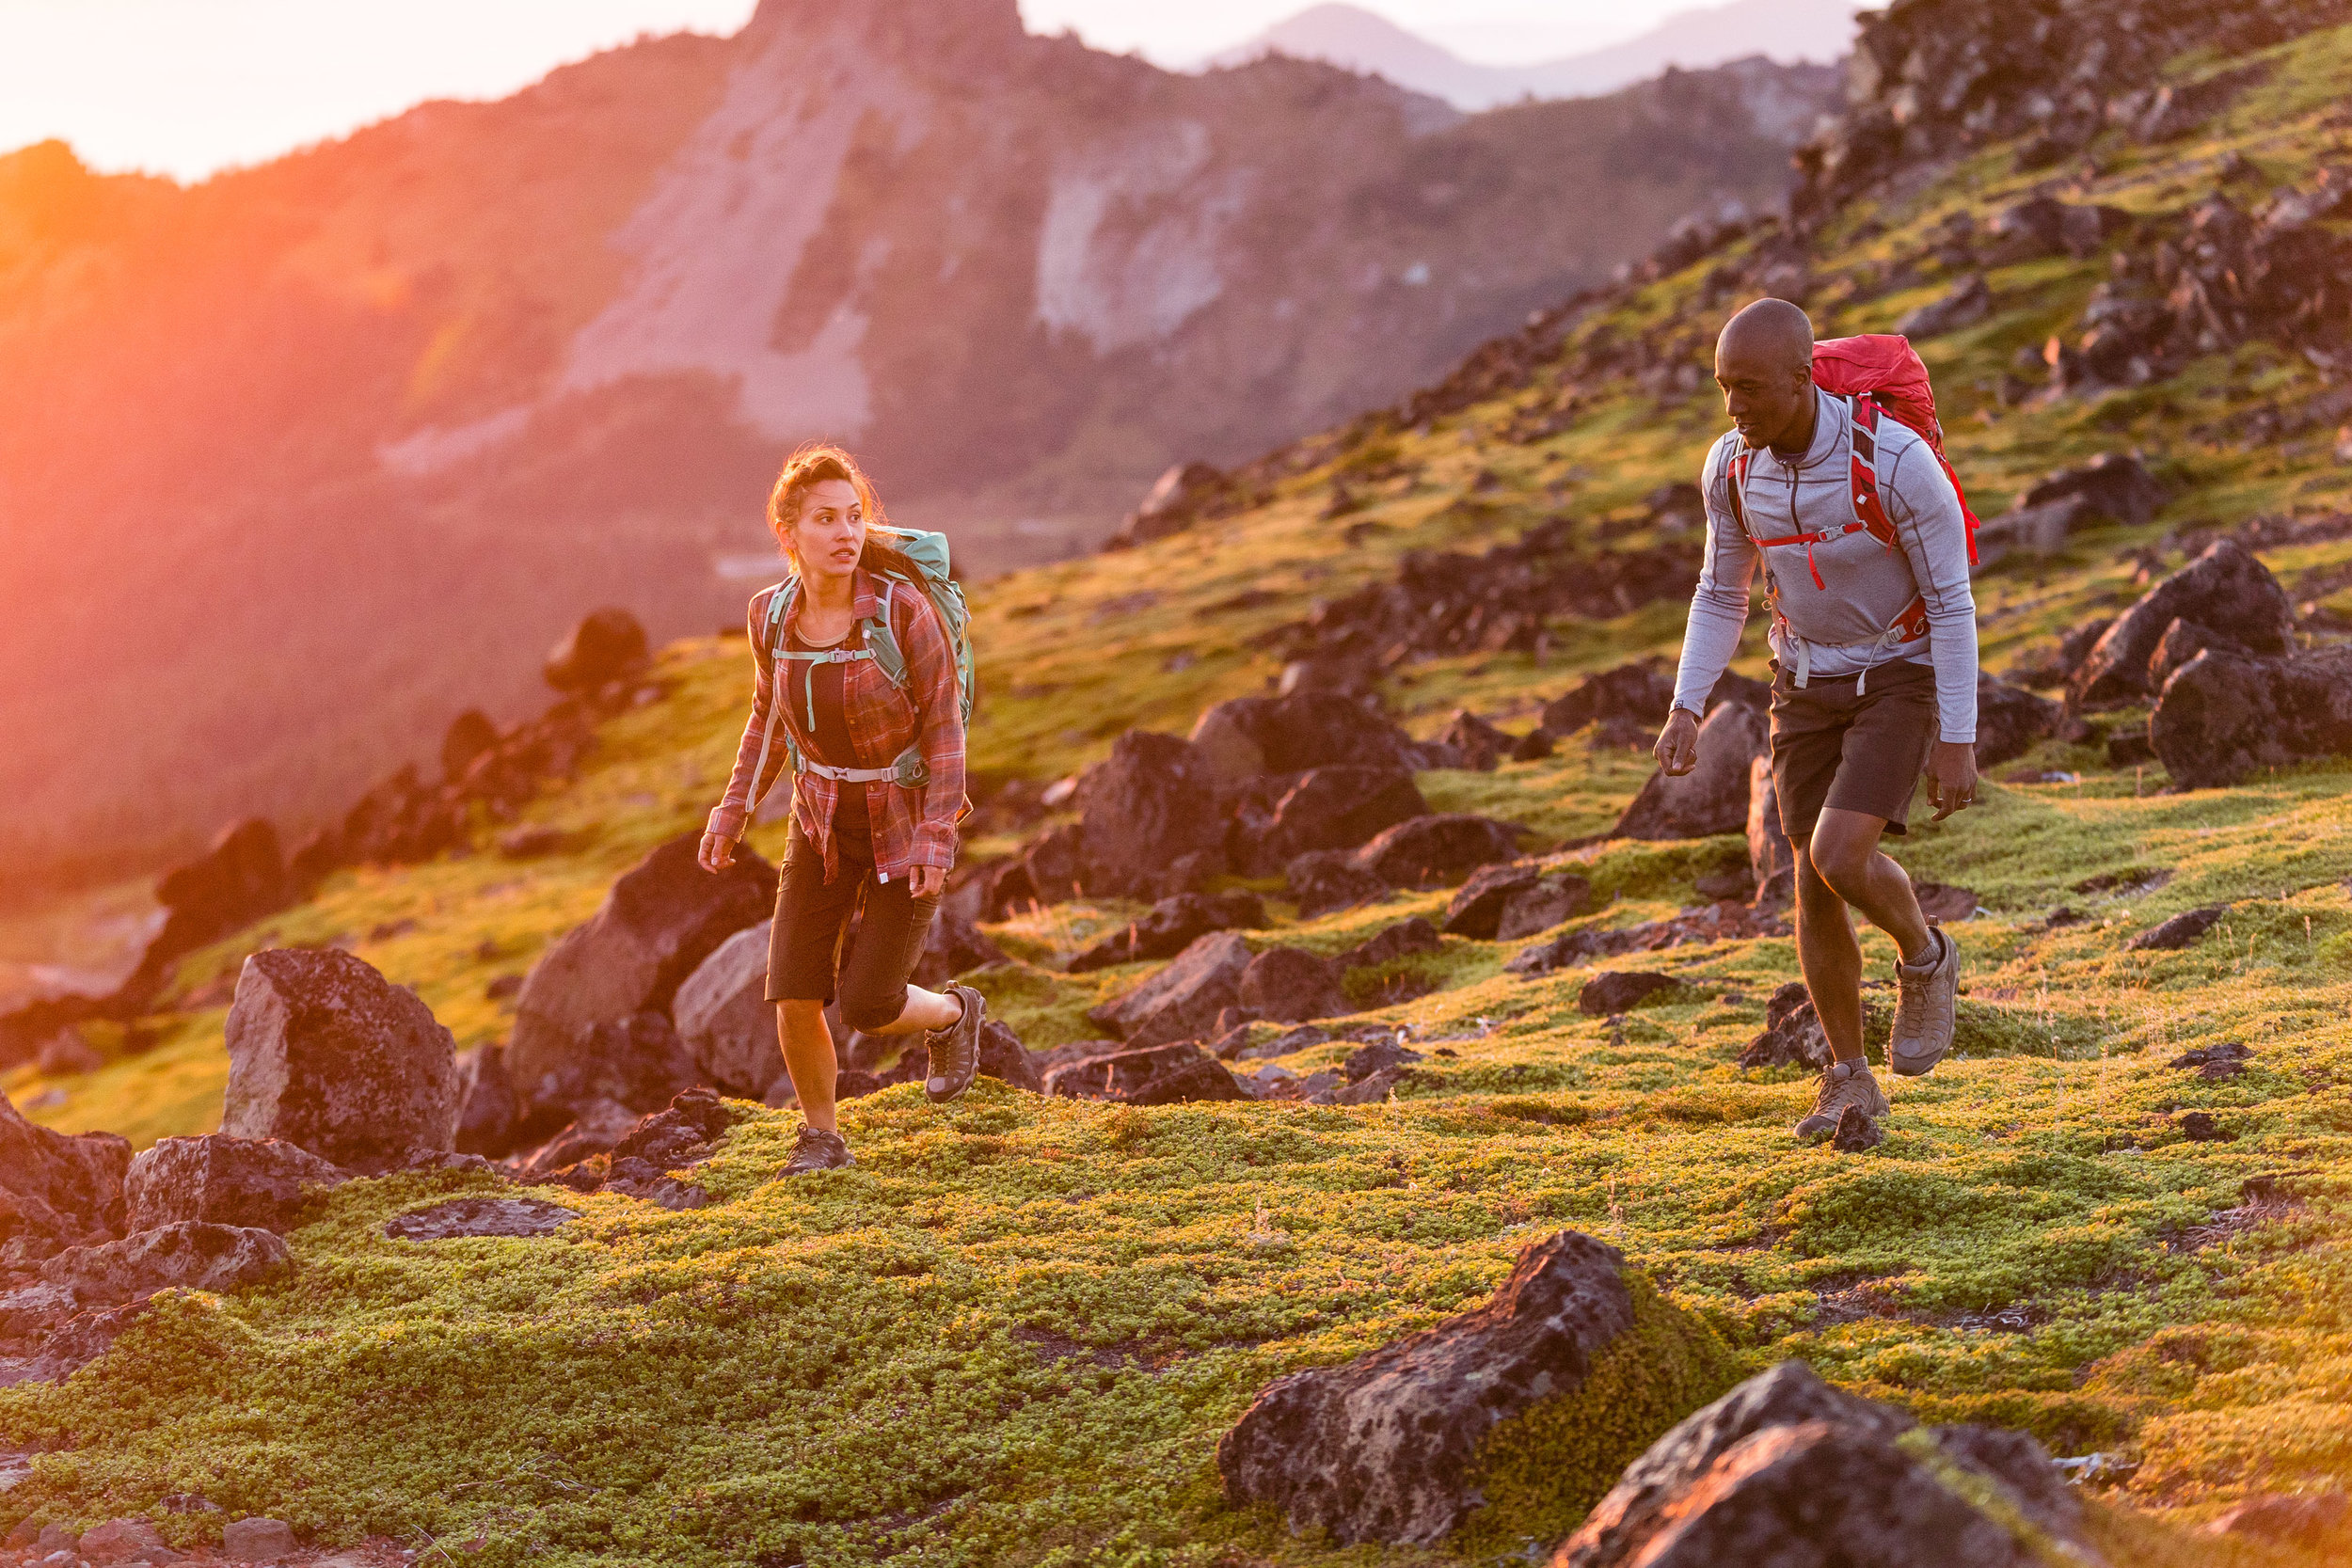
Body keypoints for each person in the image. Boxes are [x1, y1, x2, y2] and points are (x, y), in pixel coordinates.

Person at [1657, 298, 1978, 1141]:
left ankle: (1925, 955)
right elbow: (1720, 591)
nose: (1736, 408)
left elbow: (1950, 600)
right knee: (1809, 875)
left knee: (1840, 855)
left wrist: (1957, 736)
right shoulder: (1730, 468)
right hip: (1801, 680)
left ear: (1804, 379)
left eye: (1752, 389)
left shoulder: (1897, 461)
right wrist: (1687, 704)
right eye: (1725, 389)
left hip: (1898, 675)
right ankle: (1849, 1079)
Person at [699, 444, 984, 1176]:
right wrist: (732, 812)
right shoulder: (770, 616)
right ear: (788, 532)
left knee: (867, 1003)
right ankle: (822, 1138)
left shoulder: (903, 612)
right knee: (794, 990)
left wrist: (935, 836)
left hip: (902, 820)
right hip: (820, 823)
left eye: (854, 516)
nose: (845, 532)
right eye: (825, 519)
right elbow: (768, 720)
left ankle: (955, 1014)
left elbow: (946, 731)